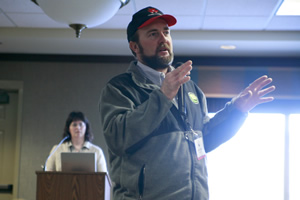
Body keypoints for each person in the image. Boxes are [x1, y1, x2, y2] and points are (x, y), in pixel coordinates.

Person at [99, 6, 276, 200]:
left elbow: (205, 139)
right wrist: (162, 96)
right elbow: (119, 138)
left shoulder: (190, 89)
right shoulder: (120, 88)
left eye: (166, 32)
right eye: (153, 34)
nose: (163, 39)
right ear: (135, 46)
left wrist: (236, 111)